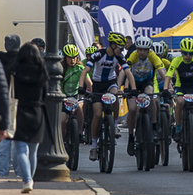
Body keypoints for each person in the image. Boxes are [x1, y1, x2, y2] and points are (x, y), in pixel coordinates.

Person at [79, 32, 132, 161]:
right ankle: (94, 146)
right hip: (97, 85)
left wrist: (133, 88)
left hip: (110, 83)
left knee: (115, 94)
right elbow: (85, 71)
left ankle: (115, 124)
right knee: (97, 114)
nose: (122, 51)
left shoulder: (119, 56)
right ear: (113, 45)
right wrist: (81, 87)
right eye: (120, 48)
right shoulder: (98, 54)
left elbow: (128, 72)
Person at [12, 43, 48, 193]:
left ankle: (27, 180)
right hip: (37, 112)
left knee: (21, 150)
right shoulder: (42, 72)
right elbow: (45, 94)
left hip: (19, 112)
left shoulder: (14, 71)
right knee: (33, 152)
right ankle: (30, 180)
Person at [124, 35, 166, 155]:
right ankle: (131, 137)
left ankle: (154, 126)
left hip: (146, 82)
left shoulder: (152, 56)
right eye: (140, 49)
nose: (142, 52)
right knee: (132, 109)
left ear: (149, 50)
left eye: (145, 50)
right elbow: (125, 71)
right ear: (137, 49)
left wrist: (169, 86)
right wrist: (124, 88)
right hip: (134, 83)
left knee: (151, 96)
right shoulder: (133, 55)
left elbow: (161, 71)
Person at [0, 34, 21, 177]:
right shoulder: (22, 60)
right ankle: (19, 172)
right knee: (19, 142)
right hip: (19, 104)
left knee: (1, 139)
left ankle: (1, 173)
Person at [60, 44, 85, 140]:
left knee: (80, 107)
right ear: (65, 58)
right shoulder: (61, 69)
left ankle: (80, 133)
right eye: (69, 58)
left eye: (74, 57)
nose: (72, 60)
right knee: (63, 120)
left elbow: (89, 83)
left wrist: (90, 92)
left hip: (75, 96)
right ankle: (62, 140)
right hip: (63, 97)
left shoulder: (80, 68)